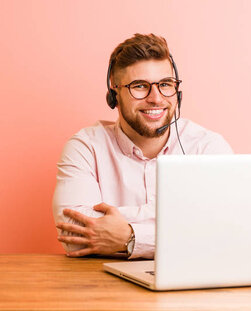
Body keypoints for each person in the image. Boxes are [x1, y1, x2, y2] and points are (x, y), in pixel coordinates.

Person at [52, 33, 233, 259]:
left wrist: (130, 236)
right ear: (114, 95)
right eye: (140, 86)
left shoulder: (207, 148)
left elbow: (226, 234)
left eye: (165, 84)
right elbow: (75, 239)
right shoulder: (85, 148)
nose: (156, 98)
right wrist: (185, 225)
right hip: (104, 288)